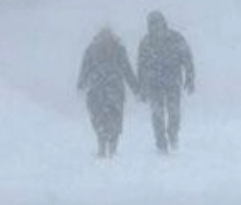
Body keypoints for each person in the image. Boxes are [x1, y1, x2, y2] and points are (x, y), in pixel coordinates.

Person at [136, 10, 194, 153]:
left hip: (172, 82)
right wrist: (141, 87)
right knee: (157, 114)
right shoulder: (146, 42)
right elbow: (141, 66)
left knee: (174, 112)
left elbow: (187, 58)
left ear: (163, 23)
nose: (156, 27)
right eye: (152, 24)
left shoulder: (176, 38)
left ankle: (173, 134)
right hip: (153, 84)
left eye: (158, 23)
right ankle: (161, 141)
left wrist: (190, 77)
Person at [77, 27, 138, 158]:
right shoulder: (118, 50)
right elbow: (127, 70)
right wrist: (135, 88)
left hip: (97, 90)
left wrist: (81, 84)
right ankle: (112, 146)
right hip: (114, 90)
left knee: (98, 119)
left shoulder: (91, 50)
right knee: (115, 118)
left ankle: (102, 145)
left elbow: (85, 68)